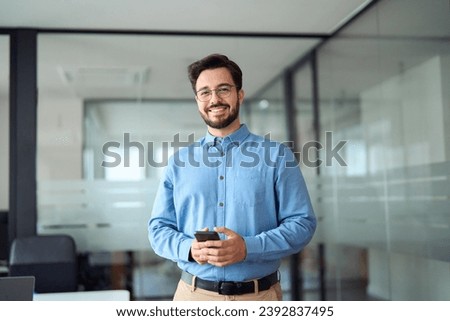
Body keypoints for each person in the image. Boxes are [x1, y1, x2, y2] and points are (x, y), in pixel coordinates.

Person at [148, 53, 316, 301]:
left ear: (240, 94)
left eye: (223, 89)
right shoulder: (179, 163)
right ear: (197, 100)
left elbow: (302, 224)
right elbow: (158, 229)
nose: (214, 99)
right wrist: (189, 249)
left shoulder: (276, 156)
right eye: (205, 92)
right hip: (192, 297)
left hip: (258, 298)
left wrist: (248, 247)